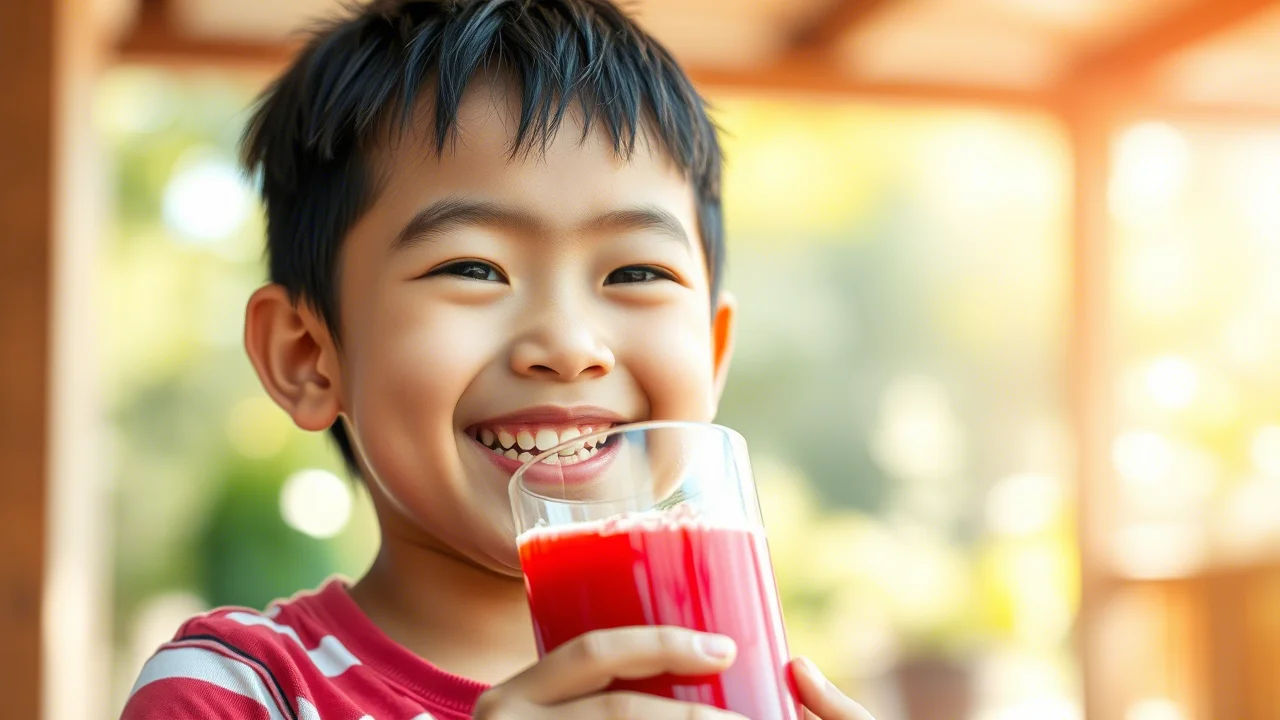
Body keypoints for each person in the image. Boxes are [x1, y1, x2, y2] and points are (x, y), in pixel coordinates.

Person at [121, 1, 874, 718]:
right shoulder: (234, 694)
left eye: (637, 273)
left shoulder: (746, 688)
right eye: (474, 269)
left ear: (711, 357)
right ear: (308, 357)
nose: (570, 346)